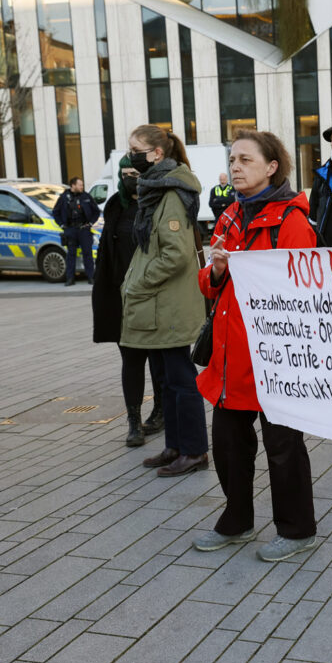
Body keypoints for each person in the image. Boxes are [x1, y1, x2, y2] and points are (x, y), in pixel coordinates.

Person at [193, 129, 319, 562]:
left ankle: (297, 529)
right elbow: (209, 288)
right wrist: (218, 270)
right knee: (228, 445)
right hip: (229, 357)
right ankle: (237, 520)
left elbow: (302, 291)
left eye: (246, 160)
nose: (236, 166)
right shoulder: (230, 216)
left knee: (283, 446)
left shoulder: (292, 221)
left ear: (271, 167)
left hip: (273, 358)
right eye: (232, 160)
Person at [120, 124, 209, 477]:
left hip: (167, 304)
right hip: (157, 304)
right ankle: (175, 446)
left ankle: (195, 450)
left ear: (157, 154)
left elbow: (175, 255)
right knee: (167, 381)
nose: (131, 156)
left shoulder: (170, 194)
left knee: (180, 380)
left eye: (136, 150)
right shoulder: (155, 190)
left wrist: (139, 282)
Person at [90, 155, 164, 448]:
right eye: (124, 173)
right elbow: (106, 251)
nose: (129, 178)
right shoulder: (114, 206)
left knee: (158, 362)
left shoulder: (157, 205)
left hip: (154, 296)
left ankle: (160, 412)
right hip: (123, 297)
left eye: (134, 172)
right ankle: (134, 421)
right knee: (131, 361)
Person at [51, 177, 99, 286]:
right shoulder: (64, 197)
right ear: (73, 185)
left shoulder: (86, 196)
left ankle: (91, 277)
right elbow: (56, 212)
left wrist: (90, 223)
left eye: (82, 185)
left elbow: (96, 211)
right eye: (80, 185)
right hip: (70, 230)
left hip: (84, 229)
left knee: (87, 254)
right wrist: (62, 225)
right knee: (70, 255)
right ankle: (70, 279)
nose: (82, 187)